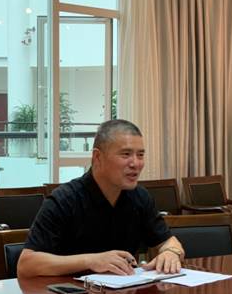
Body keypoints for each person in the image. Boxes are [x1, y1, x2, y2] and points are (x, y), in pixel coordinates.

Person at [17, 119, 185, 278]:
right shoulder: (65, 199)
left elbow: (169, 242)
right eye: (126, 154)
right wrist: (91, 261)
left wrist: (171, 252)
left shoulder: (140, 197)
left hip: (123, 292)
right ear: (97, 157)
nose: (136, 163)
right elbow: (26, 265)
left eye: (140, 155)